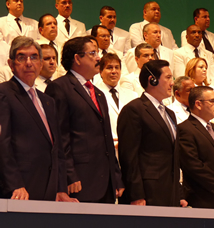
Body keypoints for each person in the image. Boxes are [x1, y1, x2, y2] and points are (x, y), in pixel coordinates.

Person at [45, 36, 124, 203]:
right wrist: (69, 175)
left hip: (105, 182)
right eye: (92, 53)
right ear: (77, 58)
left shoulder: (99, 93)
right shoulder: (59, 88)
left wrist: (115, 176)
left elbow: (106, 138)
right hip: (79, 180)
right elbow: (60, 138)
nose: (98, 57)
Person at [0, 36, 75, 202]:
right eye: (21, 57)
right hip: (18, 192)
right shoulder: (3, 93)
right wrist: (14, 184)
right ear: (11, 64)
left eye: (34, 57)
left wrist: (61, 188)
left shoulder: (48, 101)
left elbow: (58, 149)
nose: (28, 62)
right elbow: (2, 144)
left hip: (49, 190)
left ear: (40, 64)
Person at [117, 60, 186, 207]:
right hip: (147, 193)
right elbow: (129, 157)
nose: (172, 83)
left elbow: (173, 157)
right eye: (168, 77)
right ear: (152, 80)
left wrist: (179, 193)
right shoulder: (134, 110)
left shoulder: (170, 114)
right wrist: (136, 195)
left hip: (170, 192)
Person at [95, 53, 137, 152]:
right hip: (105, 148)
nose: (114, 71)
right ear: (101, 72)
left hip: (130, 148)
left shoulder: (133, 95)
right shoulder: (94, 95)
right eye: (109, 68)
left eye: (117, 68)